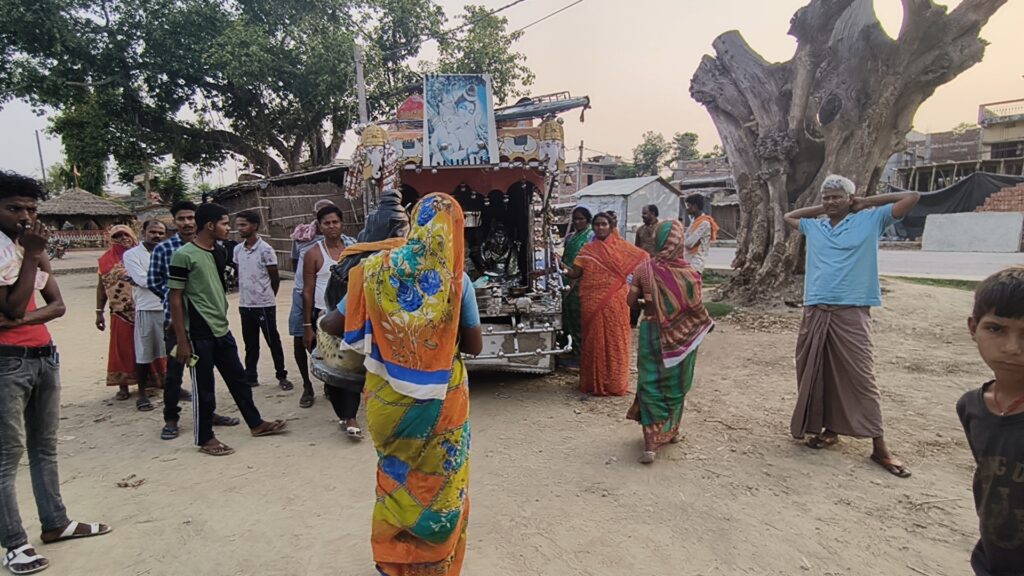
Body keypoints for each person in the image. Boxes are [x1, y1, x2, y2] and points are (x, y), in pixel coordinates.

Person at [322, 193, 481, 576]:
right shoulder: (457, 280)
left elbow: (331, 324)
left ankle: (393, 564)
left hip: (387, 400)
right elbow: (474, 346)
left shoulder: (374, 270)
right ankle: (435, 565)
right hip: (442, 401)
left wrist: (382, 326)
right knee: (441, 485)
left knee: (396, 479)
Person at [0, 171, 110, 575]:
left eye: (31, 209)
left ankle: (55, 522)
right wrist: (31, 257)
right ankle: (14, 544)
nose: (25, 217)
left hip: (43, 354)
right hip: (7, 361)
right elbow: (16, 305)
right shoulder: (22, 250)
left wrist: (17, 318)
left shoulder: (29, 247)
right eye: (14, 208)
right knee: (7, 455)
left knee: (44, 446)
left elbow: (57, 305)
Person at [784, 174, 920, 478]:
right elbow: (789, 216)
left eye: (837, 197)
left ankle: (879, 447)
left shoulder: (871, 220)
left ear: (850, 198)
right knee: (817, 371)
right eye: (826, 197)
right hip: (816, 307)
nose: (831, 202)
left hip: (852, 309)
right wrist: (822, 209)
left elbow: (912, 197)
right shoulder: (816, 226)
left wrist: (865, 202)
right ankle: (830, 429)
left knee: (861, 376)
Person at [168, 203, 287, 456]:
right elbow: (175, 297)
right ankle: (205, 438)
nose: (228, 228)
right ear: (210, 225)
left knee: (239, 379)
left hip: (221, 327)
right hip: (198, 331)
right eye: (224, 223)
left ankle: (256, 423)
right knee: (204, 387)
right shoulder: (183, 256)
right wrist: (182, 338)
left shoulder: (220, 252)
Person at [317, 190, 409, 437]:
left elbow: (333, 317)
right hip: (398, 342)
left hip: (358, 334)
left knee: (347, 360)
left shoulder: (358, 265)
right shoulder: (418, 265)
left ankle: (350, 417)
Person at [626, 220, 715, 464]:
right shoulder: (691, 274)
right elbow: (696, 308)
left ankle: (650, 443)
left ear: (657, 240)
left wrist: (648, 302)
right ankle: (672, 430)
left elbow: (630, 302)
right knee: (676, 385)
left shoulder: (644, 269)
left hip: (651, 332)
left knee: (650, 383)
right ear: (679, 242)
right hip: (682, 337)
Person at [957, 267, 1024, 576]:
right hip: (993, 561)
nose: (1012, 348)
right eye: (996, 329)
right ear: (973, 329)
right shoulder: (972, 407)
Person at [149, 201, 234, 440]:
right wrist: (181, 300)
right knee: (174, 373)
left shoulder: (212, 248)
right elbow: (154, 281)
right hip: (175, 324)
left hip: (205, 325)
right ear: (174, 222)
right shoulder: (165, 249)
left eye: (190, 218)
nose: (187, 223)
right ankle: (171, 419)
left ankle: (208, 414)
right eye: (181, 219)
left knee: (205, 373)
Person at [563, 212, 649, 396]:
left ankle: (614, 382)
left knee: (615, 339)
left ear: (610, 227)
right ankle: (593, 382)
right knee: (593, 340)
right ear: (593, 227)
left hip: (615, 300)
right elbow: (575, 273)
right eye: (597, 224)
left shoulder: (622, 248)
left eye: (604, 224)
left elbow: (643, 261)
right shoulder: (587, 250)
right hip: (591, 300)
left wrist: (639, 289)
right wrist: (559, 265)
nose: (600, 227)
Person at [233, 210, 292, 390]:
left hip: (264, 305)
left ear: (254, 226)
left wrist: (268, 297)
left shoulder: (265, 250)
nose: (240, 228)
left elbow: (274, 278)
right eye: (238, 225)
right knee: (250, 344)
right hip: (245, 304)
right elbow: (240, 273)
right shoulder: (238, 250)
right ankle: (251, 376)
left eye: (243, 225)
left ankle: (281, 375)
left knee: (273, 341)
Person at [288, 199, 337, 408]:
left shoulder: (344, 241)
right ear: (315, 217)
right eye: (323, 217)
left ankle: (329, 382)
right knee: (301, 339)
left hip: (327, 302)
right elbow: (294, 262)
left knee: (331, 343)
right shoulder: (301, 237)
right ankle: (307, 386)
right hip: (302, 294)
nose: (330, 224)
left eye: (333, 219)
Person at [95, 225, 151, 404]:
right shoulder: (105, 260)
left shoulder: (142, 255)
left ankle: (150, 383)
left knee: (148, 346)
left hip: (144, 308)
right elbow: (101, 288)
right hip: (120, 312)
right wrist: (99, 312)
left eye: (126, 235)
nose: (123, 239)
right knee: (122, 349)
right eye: (118, 236)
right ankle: (123, 385)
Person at [300, 204, 348, 408]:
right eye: (326, 223)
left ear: (342, 224)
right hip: (323, 315)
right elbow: (307, 291)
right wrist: (307, 326)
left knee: (348, 355)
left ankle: (345, 394)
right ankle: (333, 391)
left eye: (335, 222)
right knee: (328, 356)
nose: (331, 226)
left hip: (347, 313)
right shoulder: (313, 253)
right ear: (320, 227)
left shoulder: (352, 249)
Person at [122, 220, 169, 411]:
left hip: (169, 308)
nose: (157, 236)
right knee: (144, 354)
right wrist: (168, 281)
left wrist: (151, 279)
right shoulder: (131, 255)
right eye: (153, 232)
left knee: (175, 352)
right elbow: (142, 280)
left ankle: (175, 387)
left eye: (161, 233)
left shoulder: (168, 252)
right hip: (147, 309)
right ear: (143, 232)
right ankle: (142, 394)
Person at [559, 207, 593, 360]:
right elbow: (566, 258)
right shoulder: (571, 237)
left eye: (581, 219)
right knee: (568, 315)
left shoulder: (591, 236)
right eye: (575, 219)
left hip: (582, 281)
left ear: (587, 220)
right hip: (567, 278)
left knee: (579, 317)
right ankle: (570, 349)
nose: (577, 222)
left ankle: (581, 353)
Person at [683, 195, 719, 274]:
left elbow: (689, 243)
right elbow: (687, 239)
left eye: (688, 206)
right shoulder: (694, 221)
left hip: (696, 263)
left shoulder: (704, 223)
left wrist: (685, 241)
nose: (687, 208)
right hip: (687, 260)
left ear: (695, 206)